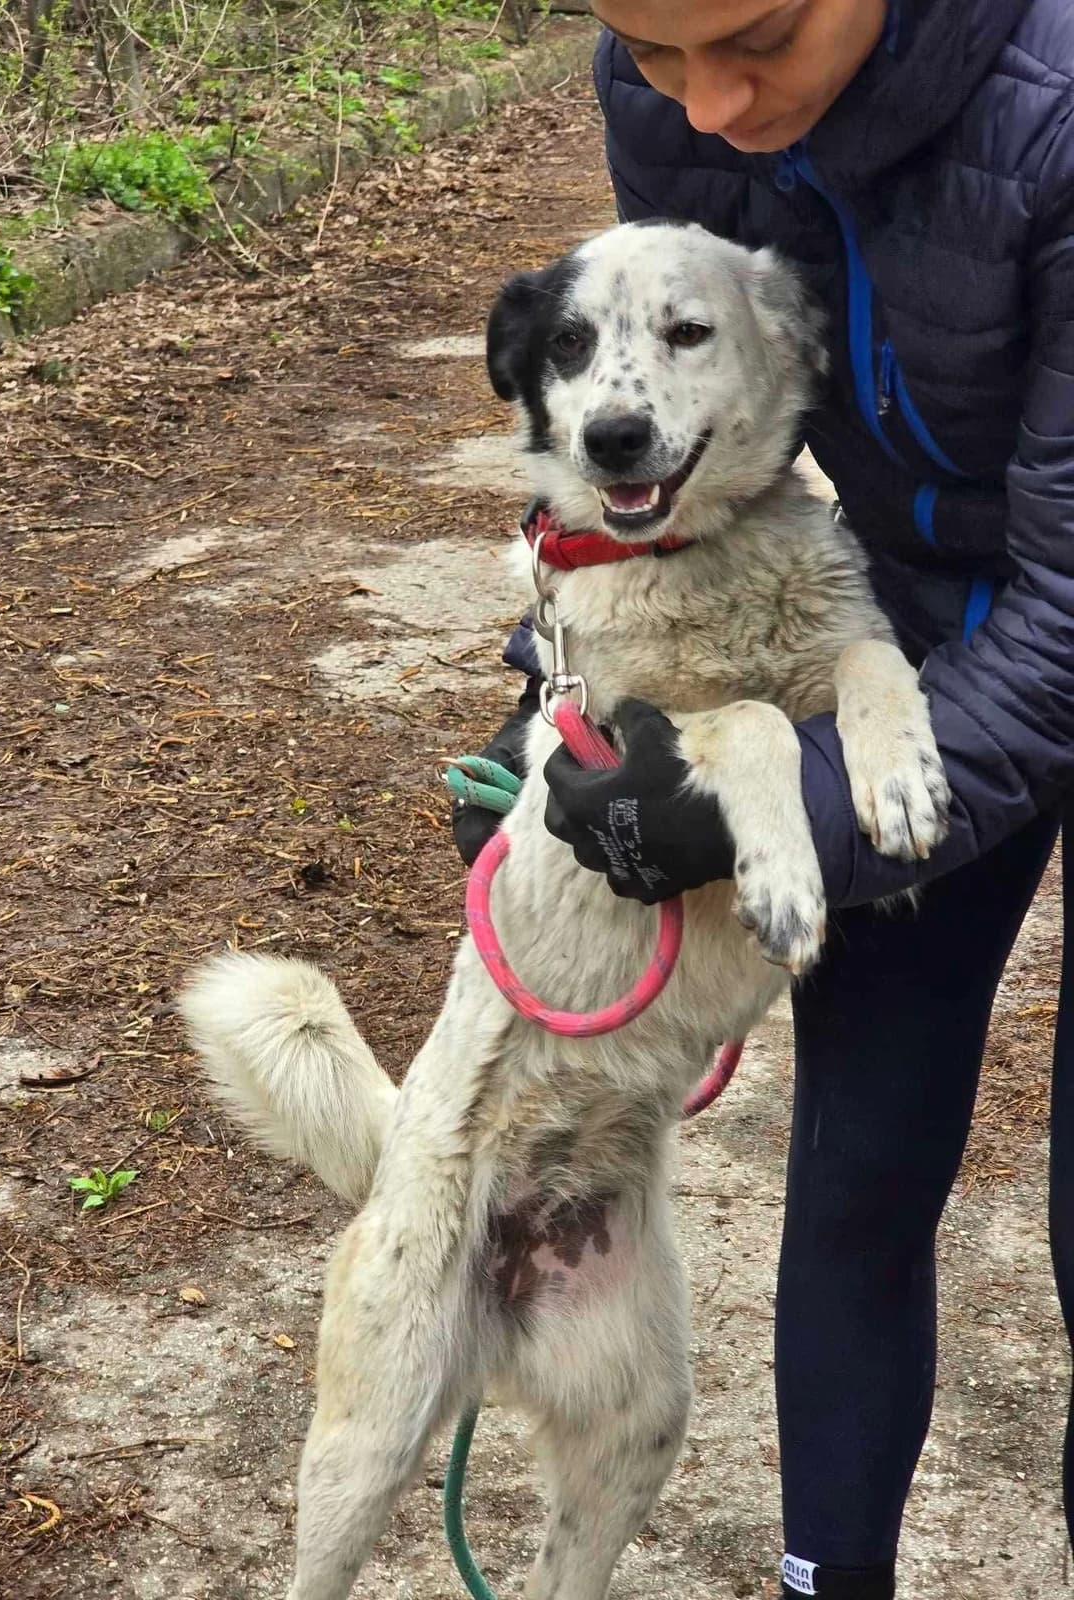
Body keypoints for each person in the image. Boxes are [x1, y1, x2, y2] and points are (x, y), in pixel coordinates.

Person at [451, 2, 1074, 1596]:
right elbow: (660, 470)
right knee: (863, 1171)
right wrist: (568, 721)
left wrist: (788, 801)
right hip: (896, 613)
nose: (713, 106)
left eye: (760, 34)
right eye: (656, 56)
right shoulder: (675, 86)